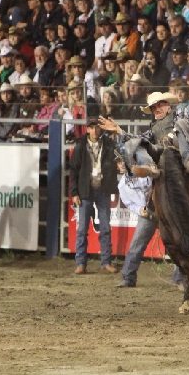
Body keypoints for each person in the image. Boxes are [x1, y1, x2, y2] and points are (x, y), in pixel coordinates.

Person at [98, 91, 189, 178]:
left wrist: (169, 137)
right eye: (154, 108)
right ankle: (149, 166)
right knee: (137, 142)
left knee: (181, 124)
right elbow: (138, 138)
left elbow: (185, 124)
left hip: (179, 144)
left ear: (168, 105)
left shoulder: (180, 112)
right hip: (161, 151)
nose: (157, 109)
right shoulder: (153, 127)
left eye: (160, 105)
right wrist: (119, 130)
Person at [67, 116, 119, 275]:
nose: (95, 130)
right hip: (86, 190)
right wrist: (74, 192)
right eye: (92, 127)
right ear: (87, 129)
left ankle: (105, 262)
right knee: (82, 229)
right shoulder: (81, 146)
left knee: (105, 227)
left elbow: (120, 152)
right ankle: (81, 263)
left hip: (103, 189)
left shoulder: (108, 144)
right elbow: (73, 171)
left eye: (97, 127)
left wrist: (116, 131)